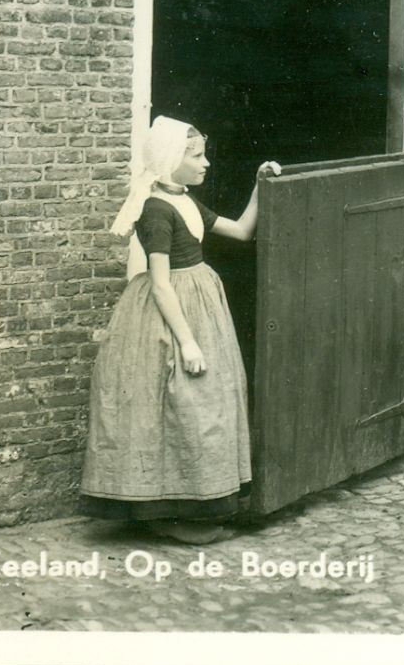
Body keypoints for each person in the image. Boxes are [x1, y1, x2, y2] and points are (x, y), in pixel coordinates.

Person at [80, 116, 282, 544]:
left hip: (201, 302)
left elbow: (242, 231)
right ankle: (165, 511)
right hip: (169, 314)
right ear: (172, 160)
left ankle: (197, 501)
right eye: (196, 156)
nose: (205, 163)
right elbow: (159, 282)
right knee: (176, 404)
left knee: (206, 402)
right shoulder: (155, 209)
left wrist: (260, 184)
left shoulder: (185, 201)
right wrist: (187, 341)